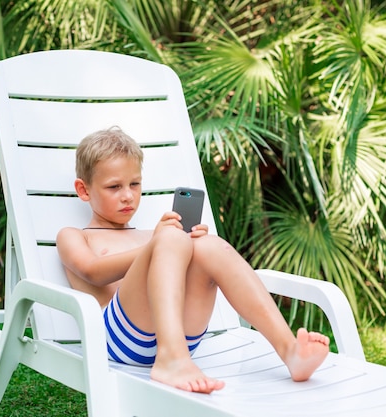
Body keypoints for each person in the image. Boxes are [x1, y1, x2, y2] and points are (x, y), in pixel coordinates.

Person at [56, 126, 330, 394]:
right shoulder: (75, 236)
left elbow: (175, 261)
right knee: (173, 238)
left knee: (209, 246)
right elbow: (92, 272)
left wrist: (190, 245)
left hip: (182, 336)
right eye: (114, 186)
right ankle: (171, 359)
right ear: (84, 190)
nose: (128, 195)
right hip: (119, 340)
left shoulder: (155, 235)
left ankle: (289, 350)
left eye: (134, 184)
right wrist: (163, 242)